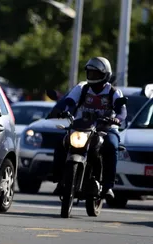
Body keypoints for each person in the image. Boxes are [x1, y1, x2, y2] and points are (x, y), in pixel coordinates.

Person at [52, 57, 127, 199]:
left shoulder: (114, 92)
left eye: (96, 74)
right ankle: (59, 180)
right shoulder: (82, 87)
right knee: (61, 141)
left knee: (111, 146)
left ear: (105, 75)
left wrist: (117, 119)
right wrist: (65, 109)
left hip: (105, 129)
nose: (92, 76)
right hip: (82, 126)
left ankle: (108, 186)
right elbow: (70, 101)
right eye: (90, 73)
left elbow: (122, 111)